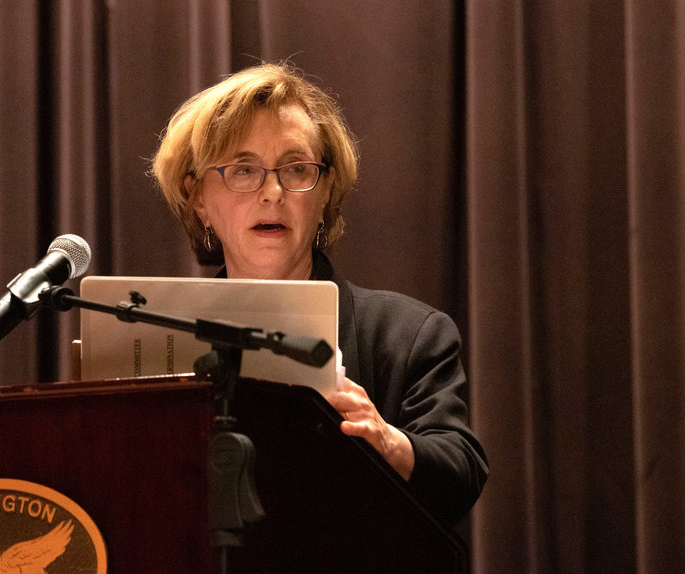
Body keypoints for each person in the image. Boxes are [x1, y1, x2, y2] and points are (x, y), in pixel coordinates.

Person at [151, 61, 488, 523]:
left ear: (326, 191)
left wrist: (388, 442)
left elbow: (461, 471)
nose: (272, 192)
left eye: (296, 169)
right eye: (243, 169)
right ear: (198, 198)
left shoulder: (409, 335)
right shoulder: (146, 332)